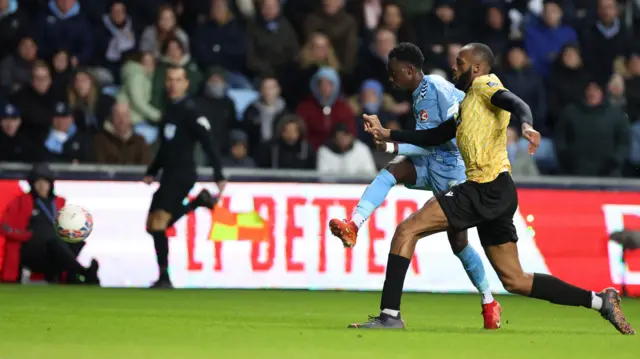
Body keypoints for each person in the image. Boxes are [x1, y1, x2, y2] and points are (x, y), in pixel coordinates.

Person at [359, 42, 635, 335]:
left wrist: (526, 125)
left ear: (476, 68)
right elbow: (437, 135)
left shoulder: (485, 85)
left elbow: (516, 103)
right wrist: (389, 135)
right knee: (516, 280)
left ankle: (390, 315)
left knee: (406, 230)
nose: (455, 67)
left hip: (482, 187)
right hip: (499, 191)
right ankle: (599, 301)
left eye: (461, 63)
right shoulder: (467, 103)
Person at [329, 43, 500, 329]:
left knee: (459, 243)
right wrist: (389, 144)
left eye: (394, 72)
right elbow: (427, 141)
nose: (391, 78)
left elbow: (448, 136)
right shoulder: (420, 95)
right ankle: (354, 224)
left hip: (456, 172)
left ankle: (488, 300)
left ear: (410, 70)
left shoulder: (438, 89)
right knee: (393, 169)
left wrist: (391, 139)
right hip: (432, 164)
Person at [143, 65, 226, 289]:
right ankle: (198, 202)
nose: (173, 84)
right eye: (169, 79)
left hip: (182, 174)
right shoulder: (170, 110)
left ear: (186, 84)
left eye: (178, 80)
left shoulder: (191, 110)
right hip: (169, 174)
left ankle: (164, 277)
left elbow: (208, 139)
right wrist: (152, 170)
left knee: (158, 223)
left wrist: (218, 172)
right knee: (151, 225)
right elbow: (165, 147)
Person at [0, 163, 99, 284]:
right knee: (53, 241)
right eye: (38, 183)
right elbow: (5, 226)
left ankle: (73, 277)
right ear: (32, 184)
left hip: (53, 248)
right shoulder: (22, 201)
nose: (42, 186)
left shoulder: (58, 203)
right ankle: (85, 273)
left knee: (74, 240)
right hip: (31, 248)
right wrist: (25, 235)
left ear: (50, 184)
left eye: (45, 182)